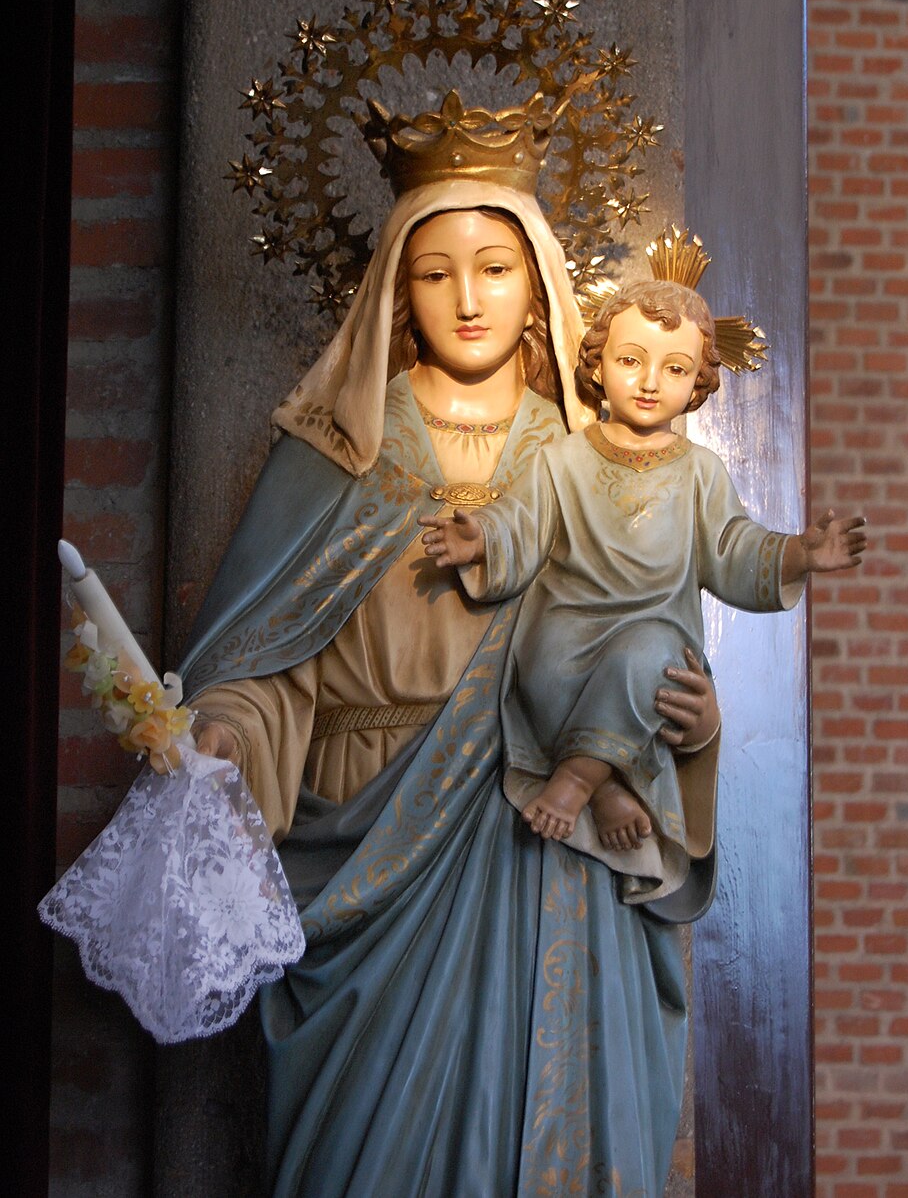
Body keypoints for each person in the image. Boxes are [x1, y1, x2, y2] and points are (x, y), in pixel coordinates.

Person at [176, 144, 725, 1195]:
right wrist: (227, 731)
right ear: (397, 288)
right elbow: (264, 658)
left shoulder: (598, 458)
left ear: (538, 286)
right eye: (436, 272)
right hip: (370, 834)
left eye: (495, 268)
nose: (468, 299)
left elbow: (652, 649)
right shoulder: (335, 452)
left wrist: (692, 733)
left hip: (547, 839)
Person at [421, 279, 866, 902]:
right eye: (631, 359)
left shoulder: (699, 472)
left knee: (657, 653)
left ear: (698, 382)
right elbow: (520, 524)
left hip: (647, 665)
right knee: (564, 665)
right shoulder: (562, 460)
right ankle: (604, 782)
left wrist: (798, 553)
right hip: (559, 647)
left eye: (675, 368)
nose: (650, 381)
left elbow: (735, 549)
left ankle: (580, 783)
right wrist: (481, 541)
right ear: (597, 364)